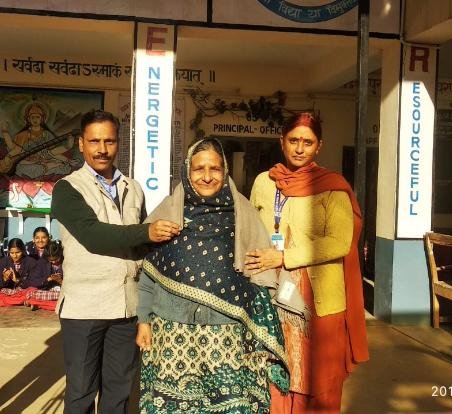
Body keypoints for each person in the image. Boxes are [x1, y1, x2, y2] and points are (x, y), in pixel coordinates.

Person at [136, 138, 289, 413]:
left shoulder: (244, 214)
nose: (207, 176)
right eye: (199, 169)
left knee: (226, 405)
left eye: (215, 169)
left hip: (226, 334)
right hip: (172, 332)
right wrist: (143, 320)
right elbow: (148, 274)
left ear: (225, 170)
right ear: (187, 171)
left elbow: (260, 276)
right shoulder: (168, 212)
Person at [50, 109, 181, 414]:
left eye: (108, 141)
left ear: (118, 143)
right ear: (81, 144)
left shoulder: (133, 188)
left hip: (126, 307)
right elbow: (93, 236)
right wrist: (147, 231)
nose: (102, 149)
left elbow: (143, 246)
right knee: (81, 393)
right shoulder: (67, 188)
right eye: (94, 141)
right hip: (84, 308)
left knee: (119, 394)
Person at [245, 112, 369, 413]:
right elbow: (250, 228)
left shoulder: (332, 186)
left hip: (318, 300)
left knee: (318, 378)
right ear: (282, 142)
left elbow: (340, 241)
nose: (299, 148)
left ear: (319, 146)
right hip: (271, 292)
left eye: (308, 142)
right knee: (273, 369)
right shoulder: (264, 182)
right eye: (294, 140)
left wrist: (285, 256)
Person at [0, 238, 41, 307]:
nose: (15, 256)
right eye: (12, 253)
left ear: (23, 250)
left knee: (33, 290)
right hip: (6, 292)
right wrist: (4, 278)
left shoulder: (31, 262)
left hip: (22, 291)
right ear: (8, 251)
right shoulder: (2, 262)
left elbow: (33, 283)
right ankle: (15, 301)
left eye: (18, 252)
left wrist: (17, 280)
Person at [26, 240, 63, 311]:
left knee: (65, 295)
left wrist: (60, 281)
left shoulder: (66, 262)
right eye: (51, 260)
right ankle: (45, 304)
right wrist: (48, 279)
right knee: (30, 292)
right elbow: (34, 281)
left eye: (56, 259)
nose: (54, 262)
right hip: (47, 290)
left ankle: (38, 303)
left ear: (60, 255)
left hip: (61, 291)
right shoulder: (42, 262)